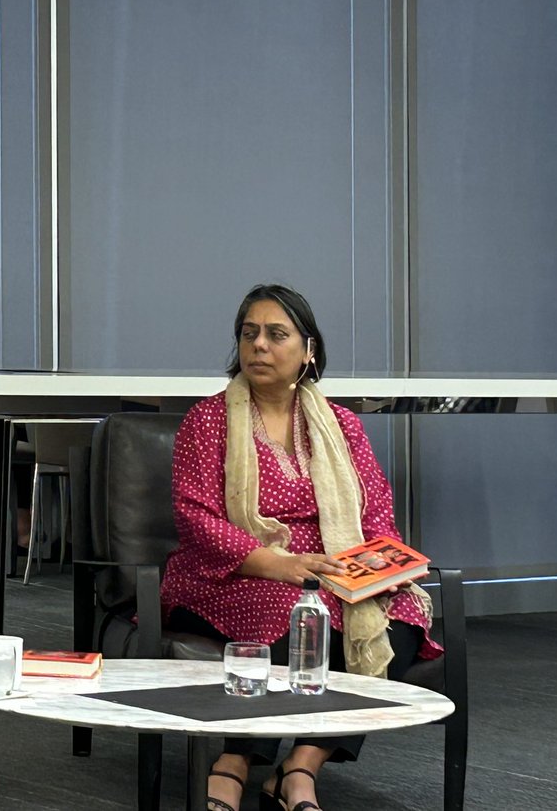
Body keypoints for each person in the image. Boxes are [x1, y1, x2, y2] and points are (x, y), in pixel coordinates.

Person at [159, 284, 441, 811]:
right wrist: (281, 564)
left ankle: (302, 763)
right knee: (295, 610)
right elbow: (195, 518)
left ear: (308, 350)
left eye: (275, 334)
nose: (259, 346)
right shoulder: (209, 420)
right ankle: (238, 760)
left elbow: (375, 511)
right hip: (232, 570)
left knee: (395, 614)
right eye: (249, 334)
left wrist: (380, 567)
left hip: (330, 569)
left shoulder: (342, 426)